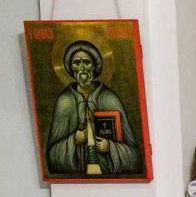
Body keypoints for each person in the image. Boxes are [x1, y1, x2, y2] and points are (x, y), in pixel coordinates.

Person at [45, 40, 142, 176]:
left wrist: (110, 147)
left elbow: (134, 157)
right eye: (77, 63)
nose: (82, 68)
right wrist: (74, 140)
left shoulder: (109, 99)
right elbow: (51, 158)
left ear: (94, 66)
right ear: (71, 68)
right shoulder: (65, 102)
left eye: (87, 62)